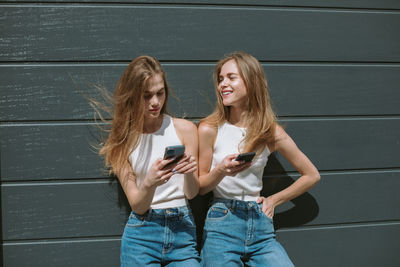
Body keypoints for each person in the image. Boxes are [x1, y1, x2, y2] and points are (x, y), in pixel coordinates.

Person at [198, 51, 320, 266]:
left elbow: (311, 175)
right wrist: (221, 171)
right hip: (222, 224)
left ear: (251, 81)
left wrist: (274, 200)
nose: (222, 84)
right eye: (220, 79)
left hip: (260, 225)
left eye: (231, 77)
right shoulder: (209, 128)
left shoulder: (270, 132)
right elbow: (200, 187)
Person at [98, 56, 201, 266]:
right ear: (133, 96)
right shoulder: (122, 142)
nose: (155, 102)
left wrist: (189, 172)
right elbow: (137, 205)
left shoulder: (185, 129)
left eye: (160, 93)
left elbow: (191, 193)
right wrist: (149, 183)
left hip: (182, 230)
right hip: (142, 235)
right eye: (146, 96)